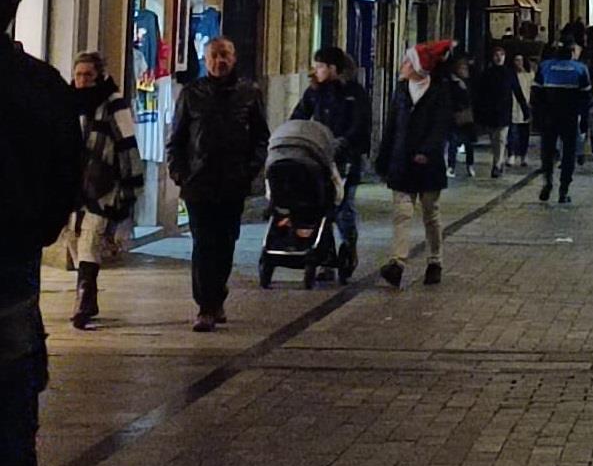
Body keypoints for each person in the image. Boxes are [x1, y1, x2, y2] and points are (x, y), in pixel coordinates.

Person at [0, 0, 84, 466]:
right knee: (11, 377)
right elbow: (68, 170)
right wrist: (42, 228)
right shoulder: (41, 83)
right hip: (14, 252)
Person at [167, 37, 270, 331]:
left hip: (232, 182)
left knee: (225, 243)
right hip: (198, 182)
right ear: (205, 59)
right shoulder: (192, 93)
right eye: (213, 56)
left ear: (233, 58)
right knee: (203, 243)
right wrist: (180, 173)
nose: (218, 61)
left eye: (224, 55)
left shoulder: (248, 93)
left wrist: (250, 169)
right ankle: (205, 306)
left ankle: (217, 296)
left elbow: (261, 136)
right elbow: (177, 138)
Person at [65, 51, 143, 329]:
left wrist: (131, 186)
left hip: (103, 185)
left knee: (90, 239)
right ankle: (88, 294)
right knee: (76, 242)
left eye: (88, 75)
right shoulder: (67, 103)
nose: (83, 80)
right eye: (78, 75)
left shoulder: (113, 104)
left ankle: (83, 302)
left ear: (98, 76)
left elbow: (127, 144)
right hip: (72, 186)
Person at [375, 40, 456, 288]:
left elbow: (441, 126)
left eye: (408, 61)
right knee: (402, 213)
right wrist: (383, 158)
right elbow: (392, 124)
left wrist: (427, 151)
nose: (403, 65)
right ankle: (397, 263)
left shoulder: (439, 92)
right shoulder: (401, 89)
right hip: (401, 161)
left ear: (419, 67)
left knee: (430, 213)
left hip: (427, 164)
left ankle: (435, 261)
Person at [289, 47, 371, 275]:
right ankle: (326, 256)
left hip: (347, 160)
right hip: (320, 158)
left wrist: (343, 142)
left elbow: (360, 125)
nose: (316, 70)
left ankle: (348, 247)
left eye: (320, 66)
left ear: (333, 68)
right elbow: (299, 115)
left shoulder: (354, 93)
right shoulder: (314, 92)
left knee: (344, 208)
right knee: (320, 209)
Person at [531, 42, 591, 203]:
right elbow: (586, 97)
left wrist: (537, 117)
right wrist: (584, 120)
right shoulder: (580, 69)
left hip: (549, 117)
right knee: (569, 153)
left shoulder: (545, 67)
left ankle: (548, 182)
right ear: (572, 52)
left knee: (547, 152)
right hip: (570, 117)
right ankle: (564, 190)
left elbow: (535, 94)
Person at [473, 42, 528, 178]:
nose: (499, 58)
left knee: (502, 138)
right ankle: (498, 160)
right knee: (494, 139)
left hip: (504, 112)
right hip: (491, 112)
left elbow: (518, 91)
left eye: (501, 55)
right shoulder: (487, 73)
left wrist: (525, 109)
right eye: (496, 55)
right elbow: (480, 94)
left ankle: (497, 164)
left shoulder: (509, 73)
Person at [445, 51, 478, 178]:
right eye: (461, 68)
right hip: (455, 115)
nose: (463, 70)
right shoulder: (452, 83)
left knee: (468, 143)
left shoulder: (468, 82)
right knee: (453, 142)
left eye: (465, 68)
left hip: (467, 117)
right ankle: (451, 166)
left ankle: (469, 165)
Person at [507, 53, 535, 168]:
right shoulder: (510, 75)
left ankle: (523, 155)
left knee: (524, 133)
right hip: (512, 107)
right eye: (516, 60)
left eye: (520, 60)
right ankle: (511, 154)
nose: (518, 63)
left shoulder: (529, 75)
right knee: (512, 133)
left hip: (525, 107)